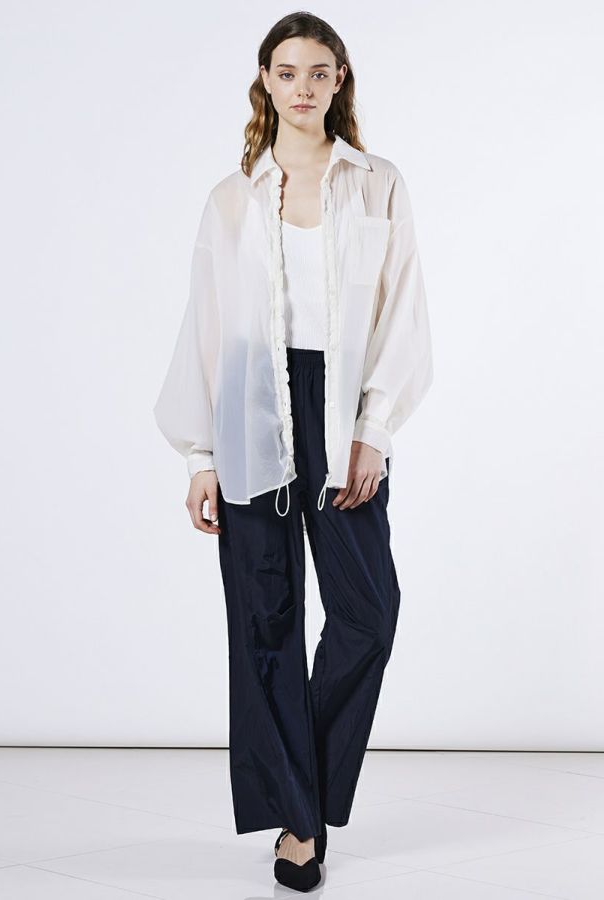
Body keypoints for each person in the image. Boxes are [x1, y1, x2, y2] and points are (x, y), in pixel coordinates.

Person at [153, 11, 433, 893]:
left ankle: (296, 784)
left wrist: (373, 430)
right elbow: (207, 327)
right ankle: (298, 828)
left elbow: (403, 312)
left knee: (368, 614)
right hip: (249, 406)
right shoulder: (231, 198)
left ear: (339, 79)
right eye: (287, 71)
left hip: (341, 411)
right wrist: (199, 455)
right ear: (265, 82)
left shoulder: (377, 184)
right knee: (263, 621)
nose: (302, 87)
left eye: (318, 71)